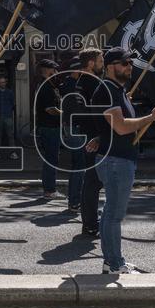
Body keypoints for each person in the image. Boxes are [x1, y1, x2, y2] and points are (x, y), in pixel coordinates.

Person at [85, 47, 155, 274]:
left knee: (110, 213)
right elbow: (120, 127)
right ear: (110, 66)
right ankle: (114, 263)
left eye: (130, 63)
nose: (129, 67)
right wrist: (152, 116)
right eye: (124, 63)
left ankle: (111, 261)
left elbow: (110, 126)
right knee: (114, 214)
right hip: (116, 161)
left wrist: (101, 136)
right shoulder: (108, 90)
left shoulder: (117, 90)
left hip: (116, 159)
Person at [63, 50, 103, 217]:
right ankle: (76, 202)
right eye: (100, 61)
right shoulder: (84, 83)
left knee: (81, 167)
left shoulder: (76, 83)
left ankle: (78, 202)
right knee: (82, 167)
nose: (103, 64)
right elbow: (77, 108)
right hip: (79, 128)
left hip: (76, 126)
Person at [33, 59, 62, 199]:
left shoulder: (49, 85)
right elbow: (50, 109)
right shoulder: (45, 86)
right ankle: (49, 190)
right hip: (49, 127)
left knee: (52, 158)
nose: (56, 72)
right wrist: (66, 114)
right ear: (45, 70)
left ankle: (49, 189)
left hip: (51, 127)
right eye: (53, 69)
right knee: (51, 159)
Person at [0, 76, 18, 159]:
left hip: (7, 116)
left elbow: (13, 104)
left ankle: (13, 153)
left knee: (10, 135)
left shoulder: (10, 92)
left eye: (4, 82)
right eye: (1, 82)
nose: (3, 83)